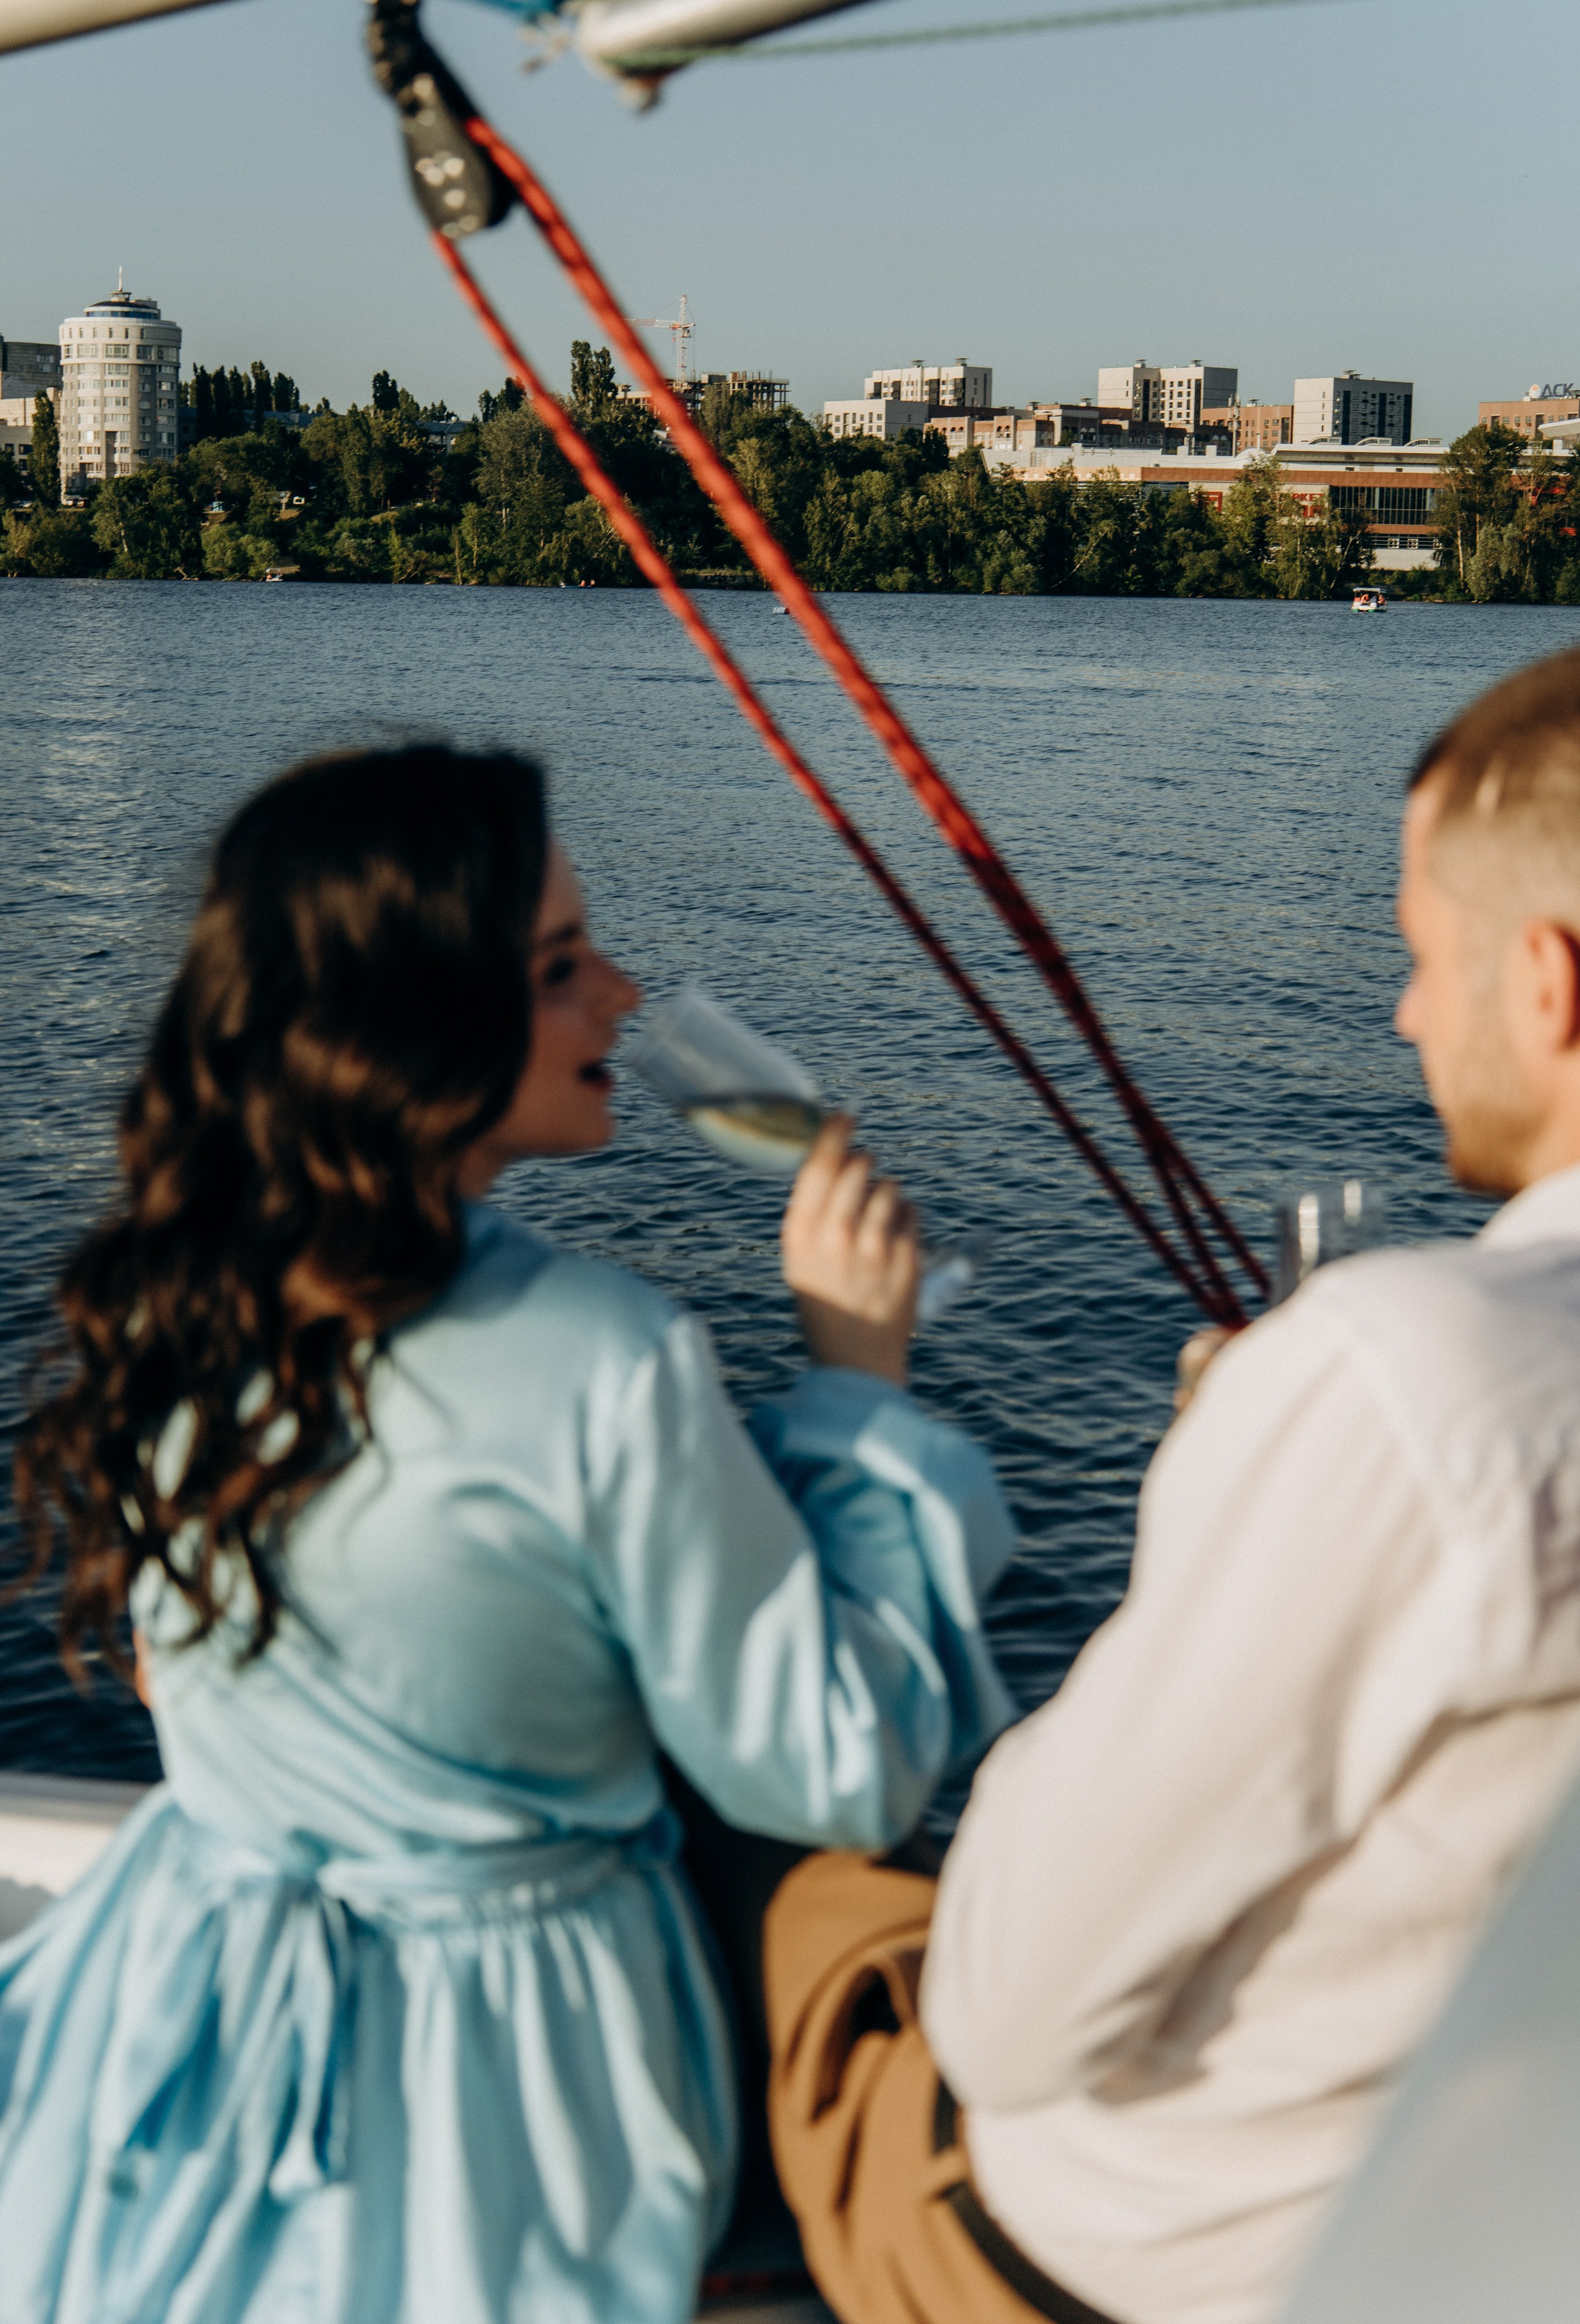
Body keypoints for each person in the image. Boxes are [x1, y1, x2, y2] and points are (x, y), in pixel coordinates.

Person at [0, 741, 1017, 2324]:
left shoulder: (177, 1299)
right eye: (557, 967)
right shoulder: (599, 1356)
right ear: (415, 1026)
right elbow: (831, 1764)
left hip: (180, 2013)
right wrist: (858, 1389)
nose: (621, 994)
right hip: (491, 2073)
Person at [762, 643, 1580, 2324]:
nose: (1407, 1013)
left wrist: (1230, 1474)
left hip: (1127, 2269)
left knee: (803, 1895)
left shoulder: (1404, 1376)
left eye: (1429, 959)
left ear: (1553, 985)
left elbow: (1008, 2015)